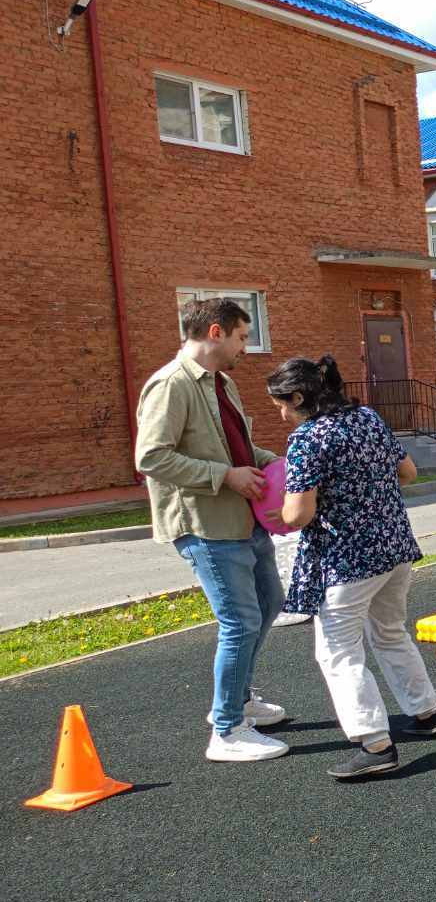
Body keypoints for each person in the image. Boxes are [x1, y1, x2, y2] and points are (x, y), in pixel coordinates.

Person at [268, 356, 436, 780]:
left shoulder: (308, 438)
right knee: (390, 633)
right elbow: (408, 473)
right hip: (393, 548)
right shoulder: (367, 418)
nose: (281, 414)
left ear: (299, 397)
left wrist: (280, 514)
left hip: (346, 561)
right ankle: (427, 712)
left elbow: (298, 514)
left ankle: (375, 743)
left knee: (338, 652)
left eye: (281, 405)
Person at [136, 297, 289, 763]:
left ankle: (239, 700)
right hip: (207, 526)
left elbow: (235, 447)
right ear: (216, 332)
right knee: (239, 623)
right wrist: (224, 477)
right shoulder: (171, 384)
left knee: (270, 603)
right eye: (242, 336)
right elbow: (151, 457)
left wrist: (278, 463)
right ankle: (226, 730)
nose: (246, 346)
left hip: (242, 519)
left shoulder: (221, 382)